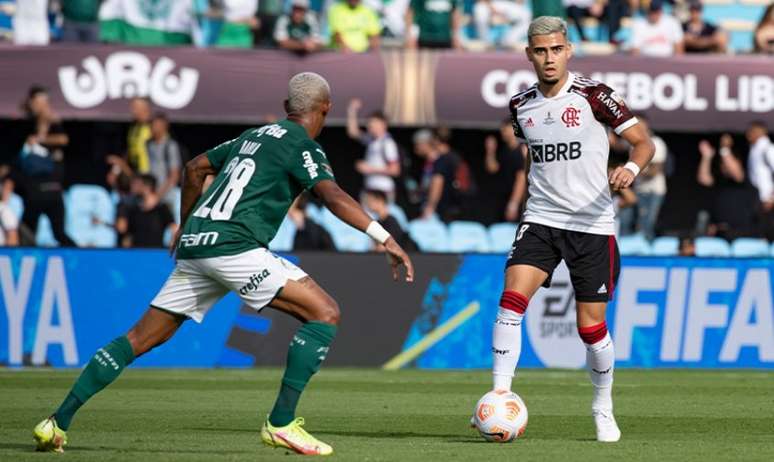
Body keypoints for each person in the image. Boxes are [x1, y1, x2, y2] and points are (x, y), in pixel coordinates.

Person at [33, 72, 414, 456]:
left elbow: (195, 167)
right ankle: (280, 423)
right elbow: (331, 195)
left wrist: (185, 224)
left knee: (139, 339)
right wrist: (385, 237)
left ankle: (56, 422)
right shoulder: (303, 146)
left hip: (198, 245)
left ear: (286, 108)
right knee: (325, 313)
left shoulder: (251, 136)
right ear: (326, 110)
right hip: (235, 247)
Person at [486, 16, 654, 443]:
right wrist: (524, 201)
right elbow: (532, 160)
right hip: (541, 219)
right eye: (540, 51)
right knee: (510, 302)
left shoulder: (594, 96)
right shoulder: (520, 106)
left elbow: (644, 141)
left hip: (592, 225)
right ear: (529, 54)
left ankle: (602, 407)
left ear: (568, 51)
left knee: (590, 328)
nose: (549, 58)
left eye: (556, 49)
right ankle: (499, 396)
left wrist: (630, 169)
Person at [18, 86, 78, 247]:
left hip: (50, 188)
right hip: (34, 188)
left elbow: (63, 139)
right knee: (27, 230)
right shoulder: (34, 122)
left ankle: (81, 259)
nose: (38, 106)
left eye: (41, 102)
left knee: (58, 232)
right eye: (35, 103)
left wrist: (39, 140)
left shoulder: (53, 121)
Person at [696, 135, 757, 240]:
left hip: (742, 234)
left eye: (727, 162)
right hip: (718, 233)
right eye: (722, 163)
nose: (725, 165)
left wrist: (725, 148)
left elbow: (736, 172)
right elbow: (703, 179)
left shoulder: (745, 179)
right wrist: (707, 157)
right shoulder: (720, 181)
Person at [346, 98, 401, 201]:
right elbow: (353, 133)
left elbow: (395, 170)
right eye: (369, 123)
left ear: (383, 124)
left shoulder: (388, 143)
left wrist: (369, 169)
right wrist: (352, 111)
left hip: (382, 190)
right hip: (370, 188)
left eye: (374, 123)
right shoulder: (372, 140)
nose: (370, 126)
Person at [480, 117, 527, 224]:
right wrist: (490, 151)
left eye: (505, 129)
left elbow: (521, 178)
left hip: (517, 203)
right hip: (502, 199)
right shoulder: (505, 150)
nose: (502, 133)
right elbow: (493, 169)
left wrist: (513, 204)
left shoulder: (522, 150)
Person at [114, 175, 177, 248]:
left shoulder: (162, 209)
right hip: (136, 253)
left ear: (147, 187)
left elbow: (174, 229)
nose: (133, 186)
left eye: (137, 184)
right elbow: (125, 232)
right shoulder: (134, 209)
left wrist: (171, 245)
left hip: (156, 253)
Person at [415, 129, 464, 222]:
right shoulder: (429, 162)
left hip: (441, 211)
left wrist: (430, 207)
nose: (415, 148)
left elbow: (437, 184)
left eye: (418, 144)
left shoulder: (440, 161)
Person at [630, 115, 667, 240]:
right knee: (639, 223)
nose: (638, 126)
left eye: (640, 123)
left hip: (654, 191)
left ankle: (649, 255)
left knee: (650, 222)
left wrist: (632, 171)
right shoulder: (633, 144)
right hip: (639, 190)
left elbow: (655, 170)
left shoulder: (656, 143)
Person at [743, 121, 774, 239]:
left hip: (769, 199)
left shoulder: (768, 148)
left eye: (751, 132)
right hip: (758, 198)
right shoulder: (755, 149)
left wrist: (771, 197)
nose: (748, 135)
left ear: (760, 132)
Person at [146, 113, 183, 211]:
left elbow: (174, 175)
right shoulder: (149, 144)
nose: (152, 128)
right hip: (152, 196)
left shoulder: (170, 146)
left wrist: (157, 196)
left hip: (168, 197)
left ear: (164, 127)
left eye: (155, 125)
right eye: (151, 125)